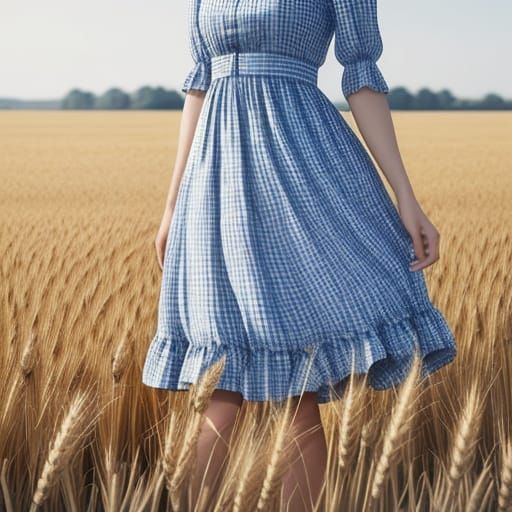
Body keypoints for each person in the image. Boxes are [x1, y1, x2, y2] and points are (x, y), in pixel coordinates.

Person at [142, 0, 457, 509]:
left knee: (296, 388)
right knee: (218, 384)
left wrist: (405, 194)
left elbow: (360, 77)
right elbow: (198, 87)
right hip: (216, 184)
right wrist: (172, 204)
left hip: (299, 171)